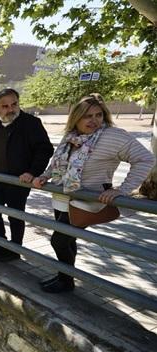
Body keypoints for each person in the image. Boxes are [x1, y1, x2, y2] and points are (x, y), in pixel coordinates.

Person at [33, 94, 155, 293]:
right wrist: (45, 176)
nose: (94, 120)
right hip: (62, 197)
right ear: (76, 118)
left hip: (87, 201)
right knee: (68, 240)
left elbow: (145, 159)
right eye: (87, 116)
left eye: (99, 115)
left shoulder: (113, 136)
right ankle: (65, 278)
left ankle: (65, 280)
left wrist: (122, 190)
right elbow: (57, 161)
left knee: (59, 240)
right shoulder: (70, 136)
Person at [0, 88, 53, 261]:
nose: (11, 109)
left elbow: (45, 150)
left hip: (19, 181)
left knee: (15, 216)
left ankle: (14, 251)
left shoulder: (31, 123)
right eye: (5, 106)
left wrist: (32, 172)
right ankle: (0, 246)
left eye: (14, 104)